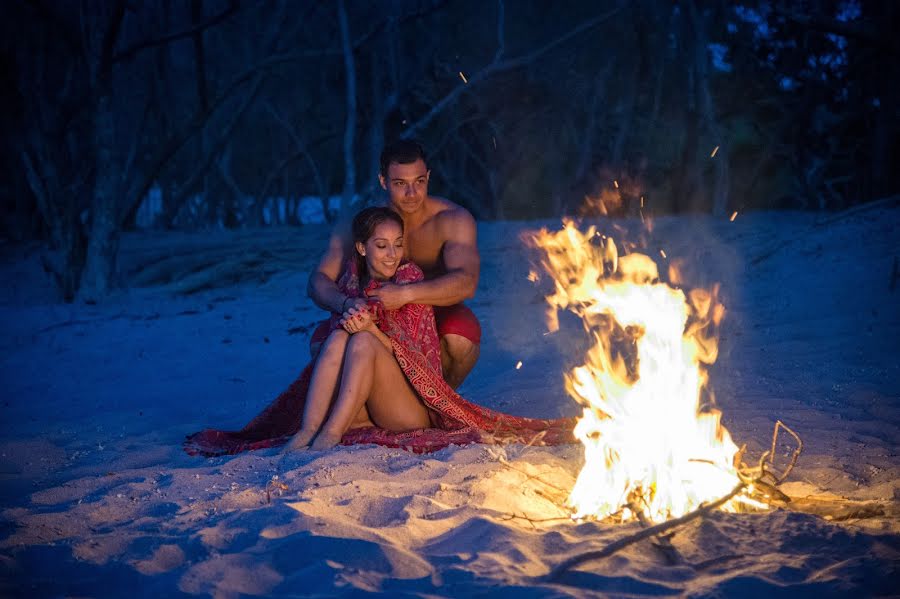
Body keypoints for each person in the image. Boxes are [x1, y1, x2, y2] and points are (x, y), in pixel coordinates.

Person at [184, 207, 575, 456]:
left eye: (398, 245)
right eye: (382, 246)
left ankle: (330, 436)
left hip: (408, 411)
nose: (392, 254)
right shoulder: (352, 284)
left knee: (366, 341)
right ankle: (306, 433)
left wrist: (372, 329)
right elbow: (322, 290)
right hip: (370, 402)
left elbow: (420, 363)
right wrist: (351, 318)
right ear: (362, 248)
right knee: (339, 335)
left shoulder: (410, 281)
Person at [308, 139, 481, 389]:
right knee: (320, 344)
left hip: (432, 311)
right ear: (383, 181)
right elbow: (317, 281)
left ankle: (441, 405)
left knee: (459, 339)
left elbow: (467, 283)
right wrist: (345, 303)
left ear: (428, 176)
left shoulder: (453, 219)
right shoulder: (360, 222)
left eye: (419, 182)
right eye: (400, 183)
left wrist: (406, 294)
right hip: (375, 314)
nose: (412, 193)